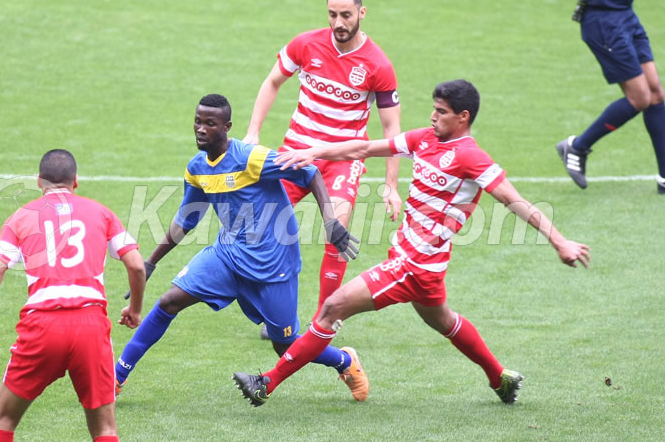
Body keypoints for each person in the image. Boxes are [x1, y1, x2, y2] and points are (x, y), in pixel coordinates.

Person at [233, 80, 591, 406]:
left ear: (463, 117)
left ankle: (266, 383)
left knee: (332, 308)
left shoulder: (469, 156)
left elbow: (515, 201)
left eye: (441, 112)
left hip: (414, 266)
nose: (432, 116)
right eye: (433, 109)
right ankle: (499, 378)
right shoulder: (424, 138)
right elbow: (367, 147)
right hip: (423, 267)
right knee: (446, 321)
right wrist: (316, 151)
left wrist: (560, 241)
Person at [114, 94, 369, 401]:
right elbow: (186, 219)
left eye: (210, 124)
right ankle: (116, 378)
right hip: (228, 257)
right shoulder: (197, 168)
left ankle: (345, 361)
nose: (201, 129)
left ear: (227, 127)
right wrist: (150, 263)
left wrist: (330, 221)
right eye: (198, 121)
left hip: (273, 267)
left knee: (285, 345)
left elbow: (309, 171)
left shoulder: (252, 159)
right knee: (169, 302)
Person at [0, 149, 147, 442]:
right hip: (90, 326)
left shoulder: (21, 217)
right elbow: (136, 264)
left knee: (3, 420)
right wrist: (134, 309)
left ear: (39, 183)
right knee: (104, 429)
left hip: (41, 327)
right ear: (76, 182)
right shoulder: (101, 213)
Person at [244, 0, 402, 338]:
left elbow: (392, 130)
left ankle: (323, 319)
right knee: (261, 227)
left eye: (346, 14)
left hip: (343, 161)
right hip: (296, 152)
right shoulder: (305, 44)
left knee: (337, 232)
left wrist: (391, 185)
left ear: (362, 12)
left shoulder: (378, 65)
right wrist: (253, 131)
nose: (338, 22)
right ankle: (277, 314)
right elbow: (272, 82)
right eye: (332, 14)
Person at [553, 0, 665, 192]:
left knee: (655, 94)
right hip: (604, 23)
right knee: (640, 98)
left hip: (626, 17)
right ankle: (577, 146)